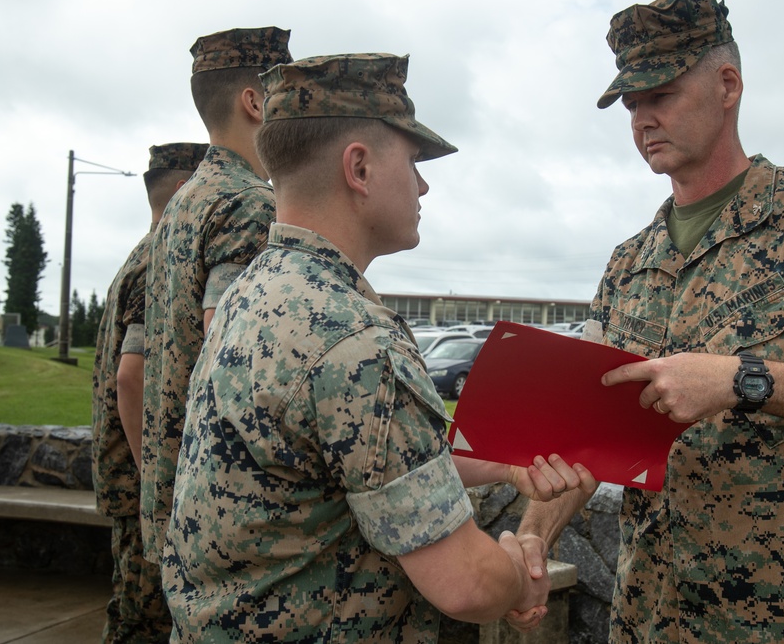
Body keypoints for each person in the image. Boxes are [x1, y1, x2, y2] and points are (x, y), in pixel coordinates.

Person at [513, 0, 784, 643]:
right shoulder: (627, 264)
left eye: (659, 91)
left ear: (728, 85)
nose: (643, 117)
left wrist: (745, 380)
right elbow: (586, 436)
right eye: (630, 103)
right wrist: (530, 536)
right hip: (653, 620)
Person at [161, 53, 591, 642]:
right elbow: (466, 583)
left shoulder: (254, 291)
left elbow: (351, 458)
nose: (423, 183)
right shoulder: (355, 341)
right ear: (359, 168)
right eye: (412, 161)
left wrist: (502, 463)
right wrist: (519, 574)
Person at [141, 27, 292, 565]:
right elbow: (235, 353)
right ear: (254, 102)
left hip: (172, 494)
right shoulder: (248, 203)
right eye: (287, 96)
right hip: (224, 509)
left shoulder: (185, 203)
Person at [92, 142, 207, 642]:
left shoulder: (139, 255)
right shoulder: (155, 262)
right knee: (144, 623)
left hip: (132, 485)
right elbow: (131, 378)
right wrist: (159, 485)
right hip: (144, 489)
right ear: (184, 193)